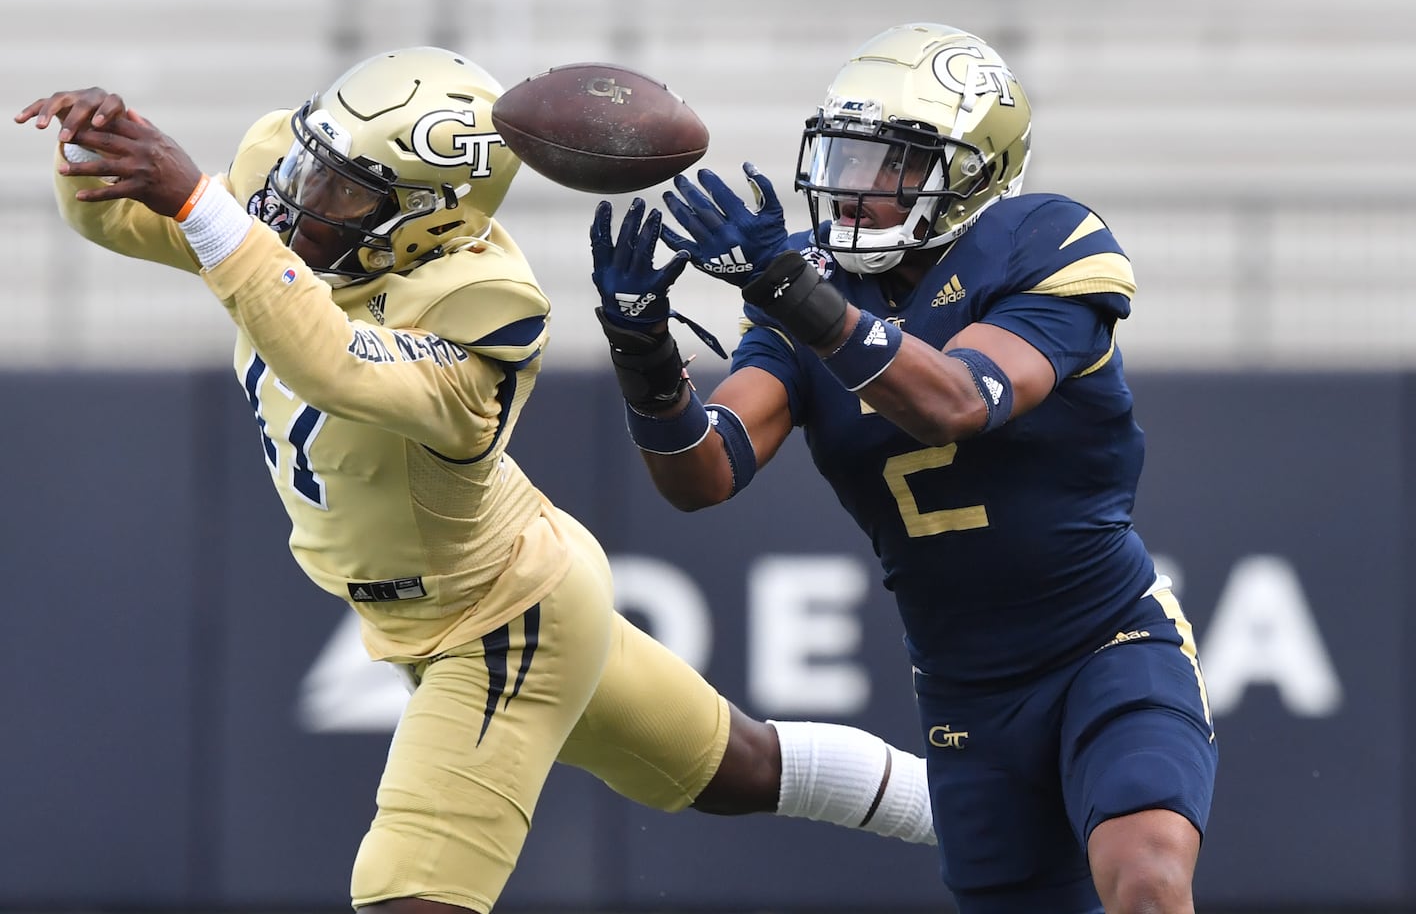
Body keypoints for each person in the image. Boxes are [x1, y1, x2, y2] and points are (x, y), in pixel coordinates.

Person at [14, 46, 937, 914]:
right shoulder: (292, 187)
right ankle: (984, 811)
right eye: (309, 165)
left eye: (342, 188)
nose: (297, 199)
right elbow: (136, 220)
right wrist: (94, 153)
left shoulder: (485, 305)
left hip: (499, 619)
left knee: (409, 889)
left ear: (430, 216)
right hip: (470, 588)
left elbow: (330, 359)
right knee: (740, 770)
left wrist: (204, 207)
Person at [589, 22, 1218, 914]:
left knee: (1148, 880)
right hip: (966, 687)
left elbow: (960, 399)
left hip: (1103, 641)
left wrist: (793, 295)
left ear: (972, 171)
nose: (852, 188)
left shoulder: (1048, 240)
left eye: (888, 165)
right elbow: (707, 473)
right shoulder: (805, 293)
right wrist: (645, 359)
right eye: (843, 158)